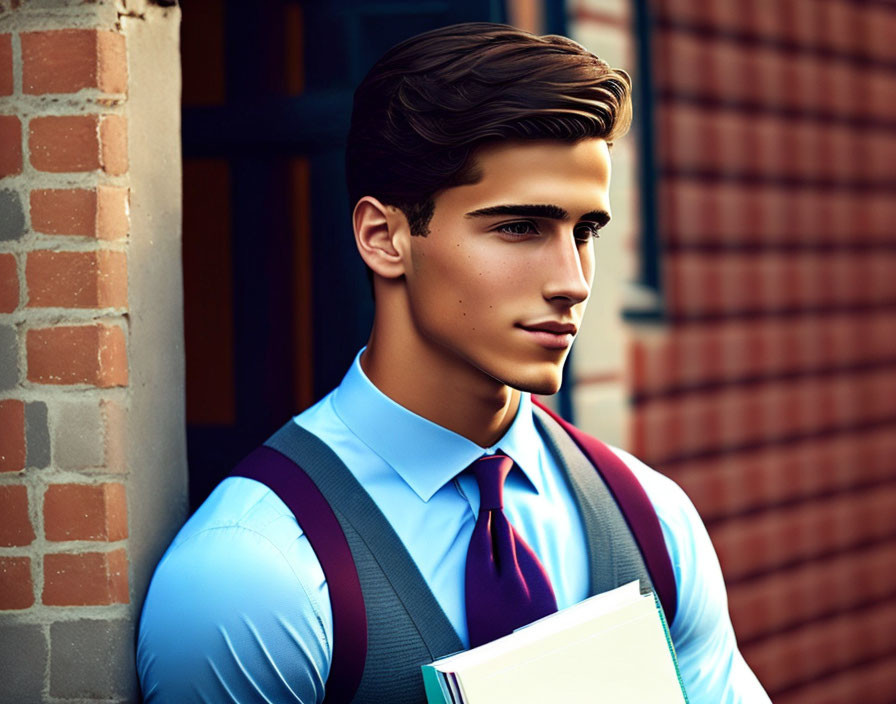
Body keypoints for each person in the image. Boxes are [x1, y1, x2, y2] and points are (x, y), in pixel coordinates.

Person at [137, 22, 770, 703]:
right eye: (520, 227)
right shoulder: (251, 573)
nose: (574, 281)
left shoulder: (655, 520)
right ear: (385, 237)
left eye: (584, 231)